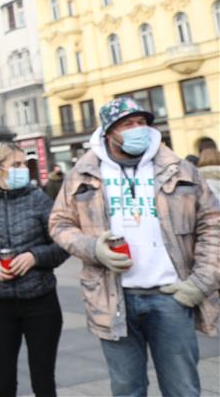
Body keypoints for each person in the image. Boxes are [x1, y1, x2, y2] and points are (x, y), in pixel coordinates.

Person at [49, 97, 220, 397]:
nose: (137, 129)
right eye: (128, 124)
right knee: (127, 389)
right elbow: (59, 224)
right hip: (113, 299)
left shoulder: (179, 168)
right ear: (109, 132)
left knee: (183, 389)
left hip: (172, 296)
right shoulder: (82, 173)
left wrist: (201, 282)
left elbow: (212, 223)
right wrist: (93, 248)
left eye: (142, 123)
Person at [0, 142, 69, 397]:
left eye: (24, 164)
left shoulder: (39, 199)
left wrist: (35, 257)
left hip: (40, 301)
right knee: (3, 382)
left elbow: (63, 243)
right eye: (17, 165)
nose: (24, 169)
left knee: (43, 380)